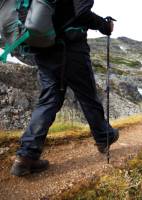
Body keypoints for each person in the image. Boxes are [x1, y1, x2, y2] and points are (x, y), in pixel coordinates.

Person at [10, 0, 119, 177]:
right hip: (71, 48)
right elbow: (80, 13)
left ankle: (25, 157)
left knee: (49, 100)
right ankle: (104, 136)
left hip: (43, 48)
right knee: (87, 96)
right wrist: (104, 25)